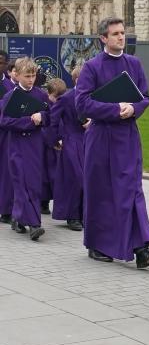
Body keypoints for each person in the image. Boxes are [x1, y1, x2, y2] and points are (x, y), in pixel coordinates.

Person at [75, 17, 149, 269]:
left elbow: (145, 97)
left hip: (127, 136)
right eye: (115, 34)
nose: (121, 37)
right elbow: (82, 104)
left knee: (131, 190)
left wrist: (133, 108)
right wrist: (115, 109)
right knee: (101, 191)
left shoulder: (134, 64)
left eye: (123, 33)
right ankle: (97, 244)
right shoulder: (91, 67)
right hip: (101, 136)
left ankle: (141, 248)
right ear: (103, 38)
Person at [0, 57, 50, 240]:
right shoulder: (9, 96)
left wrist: (42, 117)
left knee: (33, 184)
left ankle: (19, 217)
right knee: (21, 182)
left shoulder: (41, 95)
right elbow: (4, 121)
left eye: (33, 75)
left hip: (35, 146)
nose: (31, 79)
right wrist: (30, 121)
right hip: (17, 146)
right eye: (27, 76)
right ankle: (34, 224)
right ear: (17, 75)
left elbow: (50, 117)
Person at [50, 68, 87, 231]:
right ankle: (72, 215)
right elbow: (53, 119)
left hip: (89, 140)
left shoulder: (93, 97)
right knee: (75, 179)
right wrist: (54, 139)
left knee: (89, 179)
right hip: (71, 141)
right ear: (77, 79)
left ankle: (85, 214)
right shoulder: (66, 98)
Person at [40, 78, 66, 216]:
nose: (58, 100)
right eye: (56, 97)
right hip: (47, 146)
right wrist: (53, 141)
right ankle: (43, 202)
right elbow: (47, 126)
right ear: (49, 94)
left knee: (56, 175)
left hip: (57, 145)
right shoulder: (45, 106)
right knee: (44, 176)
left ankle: (54, 200)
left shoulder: (63, 104)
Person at [0, 55, 15, 224]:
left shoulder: (10, 86)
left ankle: (6, 210)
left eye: (1, 62)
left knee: (5, 172)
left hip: (4, 133)